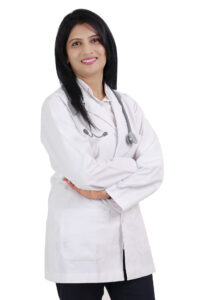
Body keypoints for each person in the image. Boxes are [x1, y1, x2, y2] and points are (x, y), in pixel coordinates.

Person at [40, 8, 164, 300]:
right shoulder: (57, 107)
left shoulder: (127, 105)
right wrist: (131, 166)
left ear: (107, 46)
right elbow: (85, 174)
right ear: (65, 56)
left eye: (95, 40)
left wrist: (107, 190)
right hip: (80, 247)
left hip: (130, 250)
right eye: (76, 43)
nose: (88, 49)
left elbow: (156, 168)